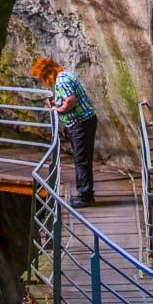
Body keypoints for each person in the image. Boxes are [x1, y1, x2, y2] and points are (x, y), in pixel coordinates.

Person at [30, 56, 97, 208]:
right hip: (83, 123)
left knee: (81, 160)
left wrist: (57, 109)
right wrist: (56, 103)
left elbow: (71, 101)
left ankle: (85, 196)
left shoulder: (61, 80)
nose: (42, 81)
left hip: (81, 124)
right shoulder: (66, 75)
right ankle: (86, 194)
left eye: (42, 77)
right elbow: (68, 99)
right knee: (82, 159)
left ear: (47, 73)